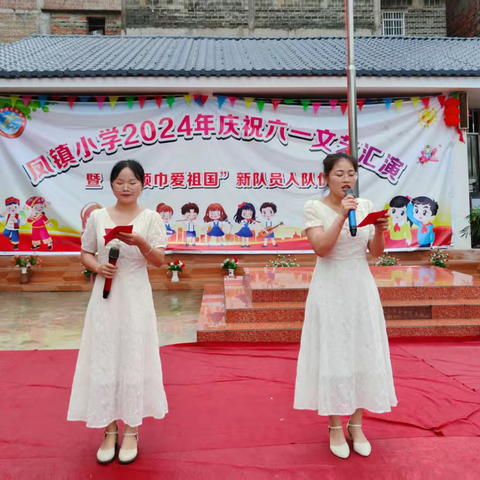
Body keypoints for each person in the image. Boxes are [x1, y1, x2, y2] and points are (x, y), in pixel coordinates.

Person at [294, 152, 397, 459]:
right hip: (330, 285)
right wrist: (341, 214)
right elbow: (322, 249)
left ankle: (357, 424)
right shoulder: (314, 207)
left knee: (362, 350)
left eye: (351, 173)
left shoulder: (364, 206)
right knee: (335, 352)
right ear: (325, 178)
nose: (346, 179)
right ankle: (335, 425)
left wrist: (379, 230)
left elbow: (376, 253)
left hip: (360, 285)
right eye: (339, 174)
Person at [67, 160, 169, 465]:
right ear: (111, 184)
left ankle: (132, 430)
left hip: (136, 295)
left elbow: (160, 261)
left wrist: (140, 243)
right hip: (105, 295)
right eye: (120, 182)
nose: (126, 187)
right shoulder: (98, 217)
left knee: (134, 356)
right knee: (104, 356)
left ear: (142, 185)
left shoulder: (150, 219)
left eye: (133, 182)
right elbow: (85, 251)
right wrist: (98, 266)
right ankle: (108, 430)